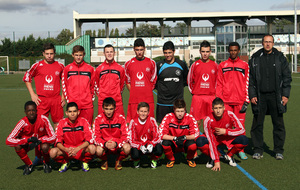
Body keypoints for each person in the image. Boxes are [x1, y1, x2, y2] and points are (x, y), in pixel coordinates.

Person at [249, 34, 292, 160]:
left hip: (276, 96)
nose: (268, 44)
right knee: (257, 124)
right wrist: (252, 94)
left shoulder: (279, 58)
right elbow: (250, 79)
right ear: (262, 43)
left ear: (273, 43)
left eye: (270, 42)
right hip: (260, 96)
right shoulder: (256, 57)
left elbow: (286, 77)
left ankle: (278, 150)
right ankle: (258, 149)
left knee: (278, 124)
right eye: (265, 42)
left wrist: (285, 94)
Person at [216, 42, 249, 160]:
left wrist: (246, 101)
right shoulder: (223, 65)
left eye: (235, 50)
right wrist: (220, 101)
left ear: (239, 51)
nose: (233, 52)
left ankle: (241, 150)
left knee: (240, 126)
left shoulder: (244, 65)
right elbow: (219, 83)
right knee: (227, 126)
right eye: (231, 50)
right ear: (228, 51)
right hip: (226, 101)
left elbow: (247, 83)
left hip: (240, 101)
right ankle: (229, 147)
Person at [196, 97, 248, 171]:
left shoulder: (230, 114)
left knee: (244, 140)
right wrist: (217, 161)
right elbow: (211, 140)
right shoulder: (207, 119)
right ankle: (212, 157)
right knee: (199, 141)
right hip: (214, 139)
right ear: (212, 109)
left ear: (224, 108)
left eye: (220, 108)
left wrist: (226, 131)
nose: (218, 111)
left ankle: (229, 155)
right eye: (216, 108)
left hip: (227, 138)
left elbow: (241, 130)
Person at [6, 101, 56, 175]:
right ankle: (29, 164)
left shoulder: (43, 119)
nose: (31, 113)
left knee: (45, 146)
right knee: (17, 147)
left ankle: (47, 163)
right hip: (28, 143)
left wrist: (40, 140)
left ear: (36, 111)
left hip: (40, 142)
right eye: (29, 111)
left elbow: (53, 137)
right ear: (25, 112)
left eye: (33, 110)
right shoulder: (22, 122)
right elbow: (8, 140)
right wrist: (26, 140)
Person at [23, 43, 65, 128]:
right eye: (47, 54)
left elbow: (65, 82)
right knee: (40, 123)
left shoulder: (60, 66)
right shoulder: (37, 66)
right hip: (41, 100)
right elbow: (27, 77)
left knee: (58, 124)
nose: (49, 56)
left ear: (54, 53)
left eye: (51, 54)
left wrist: (63, 97)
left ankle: (58, 141)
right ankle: (41, 141)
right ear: (43, 54)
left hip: (56, 99)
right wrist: (32, 94)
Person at [50, 102, 95, 172]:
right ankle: (65, 162)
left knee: (92, 148)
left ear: (78, 112)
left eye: (74, 111)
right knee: (52, 153)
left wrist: (78, 148)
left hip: (80, 148)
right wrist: (66, 149)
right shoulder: (62, 123)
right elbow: (57, 141)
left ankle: (84, 162)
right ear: (66, 113)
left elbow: (90, 139)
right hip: (67, 149)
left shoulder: (83, 121)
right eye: (70, 111)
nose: (72, 113)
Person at [159, 99, 200, 168]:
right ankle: (171, 159)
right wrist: (174, 138)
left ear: (185, 110)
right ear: (174, 110)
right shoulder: (168, 117)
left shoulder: (190, 118)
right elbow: (160, 134)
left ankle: (189, 158)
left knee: (193, 145)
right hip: (173, 142)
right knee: (165, 144)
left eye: (182, 111)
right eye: (178, 111)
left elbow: (196, 134)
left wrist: (184, 137)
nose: (180, 114)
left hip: (184, 142)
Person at [93, 97, 131, 170]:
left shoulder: (121, 118)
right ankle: (104, 160)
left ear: (115, 108)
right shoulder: (98, 119)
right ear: (103, 108)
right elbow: (96, 137)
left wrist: (116, 143)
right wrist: (105, 143)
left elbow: (126, 136)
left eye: (111, 109)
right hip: (105, 145)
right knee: (98, 150)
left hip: (117, 145)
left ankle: (118, 160)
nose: (108, 112)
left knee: (127, 148)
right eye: (106, 109)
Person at [125, 38, 157, 123]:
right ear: (134, 50)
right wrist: (134, 91)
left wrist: (147, 90)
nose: (139, 52)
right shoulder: (128, 64)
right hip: (134, 100)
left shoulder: (151, 63)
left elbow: (153, 80)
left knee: (149, 123)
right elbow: (127, 81)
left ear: (145, 49)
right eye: (137, 50)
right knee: (134, 123)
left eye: (141, 50)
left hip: (148, 99)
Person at [156, 41, 188, 123]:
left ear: (174, 51)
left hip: (178, 102)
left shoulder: (181, 64)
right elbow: (155, 81)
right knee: (163, 127)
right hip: (163, 103)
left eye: (170, 52)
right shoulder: (159, 65)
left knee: (180, 126)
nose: (168, 55)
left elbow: (186, 80)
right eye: (165, 53)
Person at [188, 40, 218, 128]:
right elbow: (189, 80)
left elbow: (218, 81)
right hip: (197, 97)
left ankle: (209, 140)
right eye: (203, 51)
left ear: (210, 52)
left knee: (210, 122)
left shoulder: (215, 65)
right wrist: (194, 92)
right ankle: (196, 140)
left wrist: (214, 94)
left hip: (210, 97)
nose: (205, 54)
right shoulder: (195, 65)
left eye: (207, 51)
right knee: (196, 122)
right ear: (200, 52)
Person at [62, 45, 95, 125]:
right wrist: (69, 100)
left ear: (84, 55)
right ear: (73, 55)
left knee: (87, 128)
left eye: (80, 55)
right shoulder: (67, 69)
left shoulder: (90, 69)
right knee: (74, 128)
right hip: (73, 105)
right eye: (76, 55)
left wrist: (90, 99)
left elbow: (93, 85)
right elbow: (64, 85)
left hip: (87, 105)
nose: (78, 57)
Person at [128, 102, 163, 169]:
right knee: (134, 153)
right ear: (137, 112)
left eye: (145, 111)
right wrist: (140, 146)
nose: (143, 113)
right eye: (141, 111)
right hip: (139, 145)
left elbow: (157, 136)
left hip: (149, 145)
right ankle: (136, 160)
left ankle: (154, 159)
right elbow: (131, 140)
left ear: (148, 112)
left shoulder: (152, 120)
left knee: (159, 148)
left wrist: (151, 144)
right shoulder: (133, 122)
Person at [95, 44, 125, 116]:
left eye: (111, 52)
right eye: (107, 52)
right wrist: (102, 95)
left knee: (119, 124)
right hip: (103, 102)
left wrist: (117, 94)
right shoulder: (99, 69)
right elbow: (96, 84)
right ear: (104, 53)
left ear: (114, 53)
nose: (109, 54)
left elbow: (122, 84)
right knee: (102, 125)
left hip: (117, 102)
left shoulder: (120, 68)